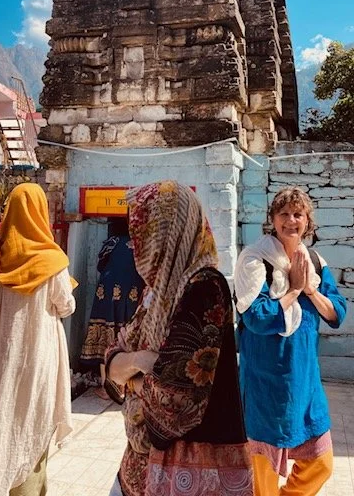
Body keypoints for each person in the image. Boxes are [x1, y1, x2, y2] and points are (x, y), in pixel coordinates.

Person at [106, 180, 253, 496]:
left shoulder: (204, 289)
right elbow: (111, 362)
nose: (138, 246)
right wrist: (140, 362)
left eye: (145, 234)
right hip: (140, 467)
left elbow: (176, 401)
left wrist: (130, 376)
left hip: (186, 469)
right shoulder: (158, 292)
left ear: (169, 233)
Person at [234, 186, 347, 496]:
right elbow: (255, 317)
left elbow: (337, 312)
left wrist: (310, 289)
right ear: (272, 219)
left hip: (305, 381)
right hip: (266, 383)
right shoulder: (255, 259)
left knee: (321, 463)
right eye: (284, 214)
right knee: (264, 477)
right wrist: (293, 291)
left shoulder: (314, 261)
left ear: (307, 221)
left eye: (298, 214)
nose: (291, 220)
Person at [0, 183, 77, 496]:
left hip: (2, 353)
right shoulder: (51, 261)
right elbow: (66, 306)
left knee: (2, 417)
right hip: (37, 360)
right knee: (32, 422)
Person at [81, 218, 144, 399]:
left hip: (108, 295)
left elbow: (101, 264)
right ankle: (128, 386)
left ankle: (107, 388)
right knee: (128, 337)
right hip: (133, 295)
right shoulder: (140, 244)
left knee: (106, 339)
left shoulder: (112, 242)